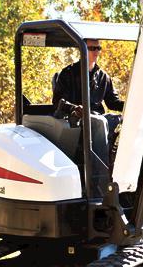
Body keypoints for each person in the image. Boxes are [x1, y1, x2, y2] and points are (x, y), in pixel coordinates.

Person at [52, 39, 124, 196]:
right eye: (92, 48)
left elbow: (113, 102)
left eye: (98, 48)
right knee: (100, 122)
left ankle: (123, 175)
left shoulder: (103, 76)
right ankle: (101, 184)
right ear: (82, 49)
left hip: (98, 117)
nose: (96, 52)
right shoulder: (68, 73)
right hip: (76, 119)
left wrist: (132, 105)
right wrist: (74, 108)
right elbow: (57, 102)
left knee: (118, 120)